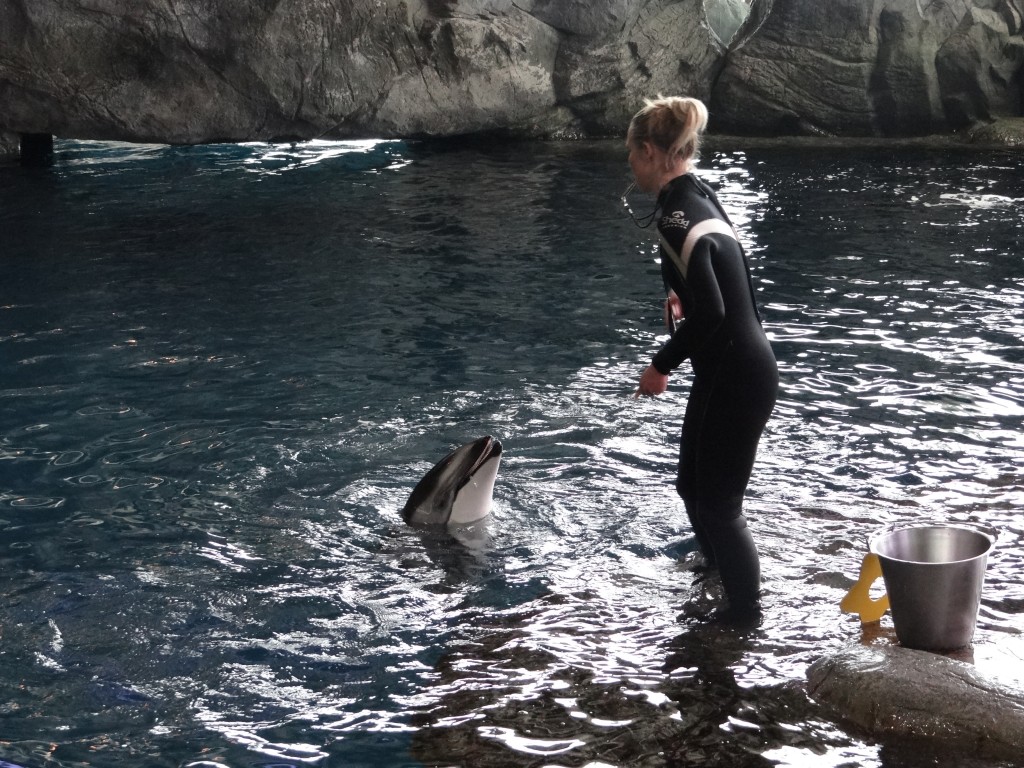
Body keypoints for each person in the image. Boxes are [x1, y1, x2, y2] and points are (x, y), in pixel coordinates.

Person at [625, 95, 778, 620]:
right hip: (740, 365)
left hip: (735, 373)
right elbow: (718, 269)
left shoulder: (672, 214)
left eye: (632, 153)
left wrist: (661, 364)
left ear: (649, 151)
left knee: (719, 505)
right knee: (690, 484)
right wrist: (679, 295)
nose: (630, 164)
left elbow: (712, 312)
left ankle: (744, 619)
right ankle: (717, 575)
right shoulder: (699, 194)